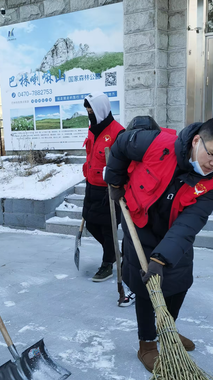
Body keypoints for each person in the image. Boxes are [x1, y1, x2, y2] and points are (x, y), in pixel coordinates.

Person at [106, 116, 213, 372]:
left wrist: (161, 258)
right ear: (197, 141)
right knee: (146, 287)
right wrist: (114, 180)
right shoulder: (156, 143)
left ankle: (166, 330)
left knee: (179, 281)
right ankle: (147, 343)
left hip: (174, 231)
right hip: (139, 223)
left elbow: (191, 222)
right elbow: (120, 144)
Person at [82, 92, 124, 282]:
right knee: (91, 223)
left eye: (91, 109)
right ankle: (114, 252)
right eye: (87, 110)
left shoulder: (118, 132)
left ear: (100, 110)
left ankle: (107, 263)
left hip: (109, 189)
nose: (89, 113)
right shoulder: (93, 129)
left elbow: (124, 164)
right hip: (91, 186)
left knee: (109, 228)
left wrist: (117, 184)